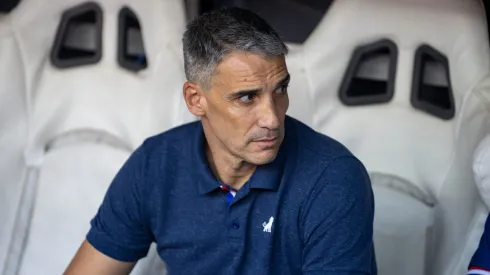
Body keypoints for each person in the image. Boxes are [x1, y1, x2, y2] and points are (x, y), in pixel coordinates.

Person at [64, 7, 377, 275]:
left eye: (280, 89)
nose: (272, 118)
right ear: (196, 99)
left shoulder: (333, 178)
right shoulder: (154, 165)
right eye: (246, 97)